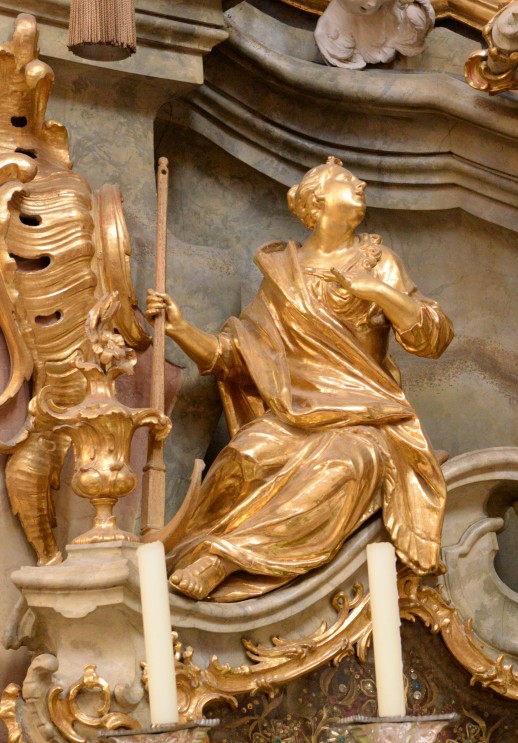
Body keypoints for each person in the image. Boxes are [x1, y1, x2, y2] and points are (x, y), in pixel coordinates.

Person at [145, 156, 453, 602]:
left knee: (340, 468)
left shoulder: (378, 261)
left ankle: (226, 556)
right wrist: (181, 329)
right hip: (296, 417)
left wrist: (380, 292)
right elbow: (238, 356)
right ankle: (192, 549)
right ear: (319, 201)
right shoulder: (283, 275)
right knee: (244, 457)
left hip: (367, 422)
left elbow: (433, 337)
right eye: (349, 182)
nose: (361, 183)